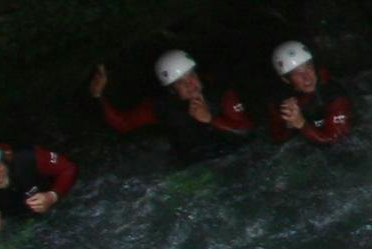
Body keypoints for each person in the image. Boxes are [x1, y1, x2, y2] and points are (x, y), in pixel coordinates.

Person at [90, 49, 257, 164]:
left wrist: (210, 119)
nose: (190, 84)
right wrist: (98, 96)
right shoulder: (160, 106)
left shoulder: (221, 94)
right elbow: (123, 124)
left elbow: (246, 132)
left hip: (234, 154)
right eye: (181, 82)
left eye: (191, 75)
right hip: (193, 164)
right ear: (171, 89)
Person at [267, 40, 355, 146]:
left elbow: (338, 141)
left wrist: (301, 124)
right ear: (286, 80)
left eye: (308, 67)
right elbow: (276, 138)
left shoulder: (333, 93)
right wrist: (289, 124)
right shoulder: (281, 100)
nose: (307, 78)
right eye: (296, 73)